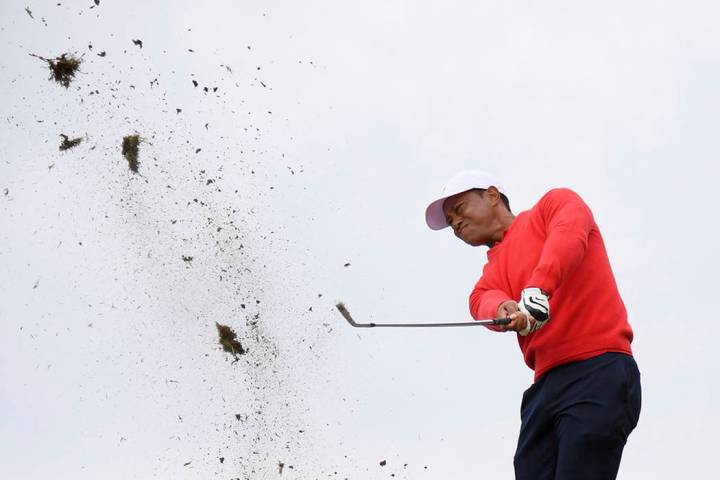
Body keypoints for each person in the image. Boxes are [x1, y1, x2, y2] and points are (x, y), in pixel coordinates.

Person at [425, 170, 641, 480]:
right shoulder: (487, 280)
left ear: (492, 195)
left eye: (458, 209)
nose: (455, 224)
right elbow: (484, 302)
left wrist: (539, 288)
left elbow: (569, 233)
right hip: (545, 390)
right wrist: (506, 308)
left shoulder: (552, 206)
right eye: (450, 223)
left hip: (598, 368)